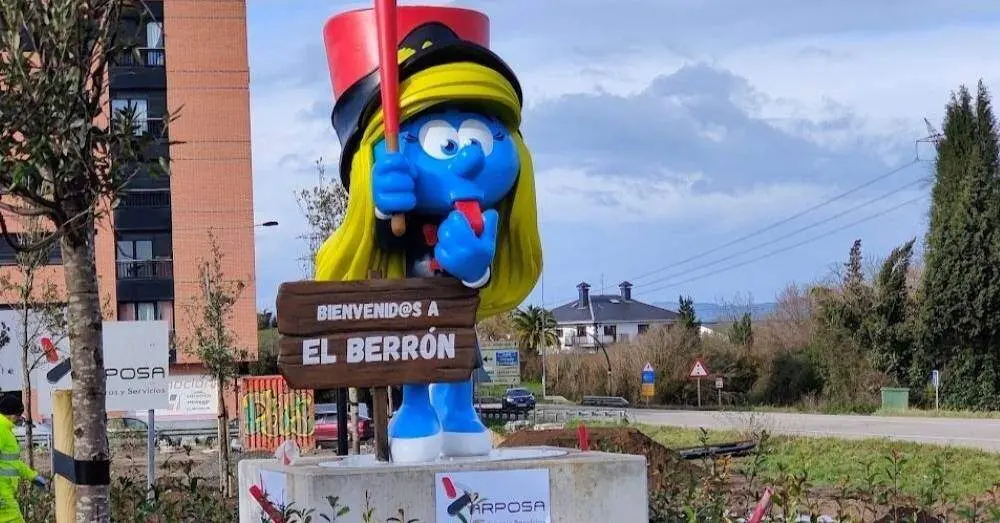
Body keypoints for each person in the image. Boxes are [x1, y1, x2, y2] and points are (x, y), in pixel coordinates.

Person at [318, 6, 542, 463]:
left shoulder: (483, 216)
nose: (469, 158)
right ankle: (416, 409)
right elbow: (388, 245)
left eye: (481, 137)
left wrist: (476, 268)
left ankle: (457, 410)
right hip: (414, 304)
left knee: (460, 346)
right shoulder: (399, 215)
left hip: (457, 309)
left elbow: (482, 277)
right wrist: (383, 206)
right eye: (442, 140)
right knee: (415, 349)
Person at [0, 394, 47, 523]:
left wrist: (32, 476)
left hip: (5, 493)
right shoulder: (1, 430)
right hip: (3, 496)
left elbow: (13, 462)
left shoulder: (5, 430)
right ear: (11, 415)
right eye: (19, 414)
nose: (19, 418)